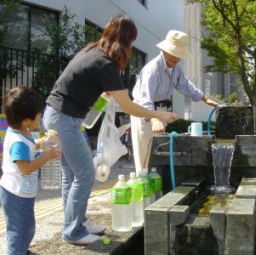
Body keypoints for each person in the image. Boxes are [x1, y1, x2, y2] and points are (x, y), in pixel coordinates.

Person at [42, 14, 177, 246]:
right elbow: (128, 106)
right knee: (84, 174)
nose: (132, 47)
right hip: (64, 119)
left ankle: (77, 222)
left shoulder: (91, 51)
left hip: (56, 115)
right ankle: (73, 231)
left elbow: (85, 87)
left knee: (72, 175)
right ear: (125, 41)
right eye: (132, 41)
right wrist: (159, 114)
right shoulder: (105, 64)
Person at [131, 30, 219, 176]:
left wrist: (205, 98)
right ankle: (144, 186)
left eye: (179, 56)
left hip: (159, 111)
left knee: (159, 153)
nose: (176, 59)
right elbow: (144, 98)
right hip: (144, 112)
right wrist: (154, 119)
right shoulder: (152, 70)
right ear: (164, 50)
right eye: (173, 55)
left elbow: (185, 84)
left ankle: (157, 183)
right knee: (145, 154)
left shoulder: (175, 68)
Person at [0, 85, 61, 255]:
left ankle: (21, 250)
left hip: (21, 193)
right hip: (16, 195)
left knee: (27, 227)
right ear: (26, 120)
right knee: (19, 231)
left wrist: (44, 142)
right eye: (38, 114)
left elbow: (31, 147)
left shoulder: (22, 131)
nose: (40, 116)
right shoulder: (18, 141)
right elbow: (25, 168)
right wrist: (47, 156)